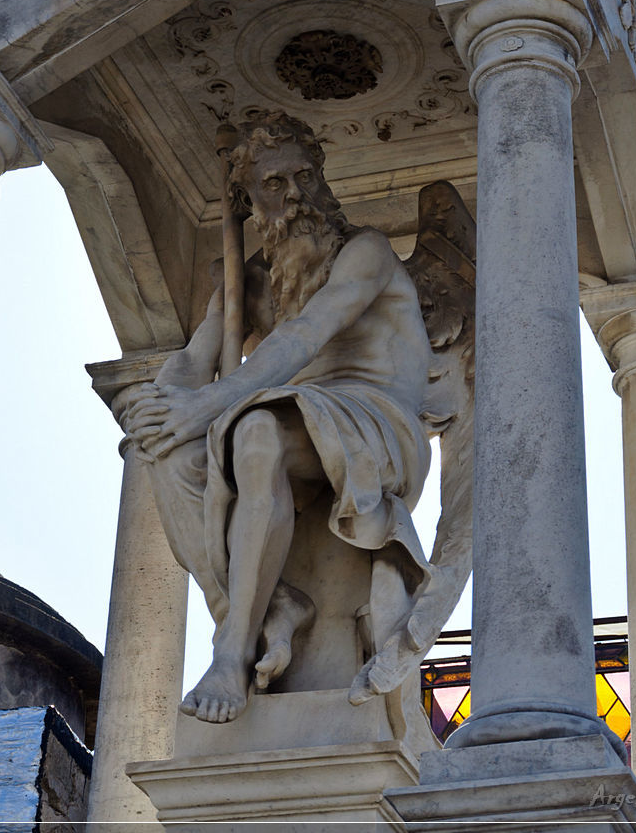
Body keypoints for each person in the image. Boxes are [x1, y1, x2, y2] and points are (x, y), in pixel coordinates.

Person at [115, 111, 435, 724]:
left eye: (304, 177)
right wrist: (157, 408)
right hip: (291, 422)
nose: (294, 194)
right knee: (167, 449)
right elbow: (192, 360)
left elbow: (311, 334)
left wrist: (209, 404)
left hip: (376, 423)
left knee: (253, 429)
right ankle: (271, 605)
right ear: (251, 199)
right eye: (273, 184)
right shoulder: (251, 281)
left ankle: (231, 654)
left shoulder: (362, 251)